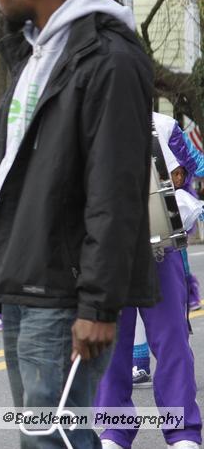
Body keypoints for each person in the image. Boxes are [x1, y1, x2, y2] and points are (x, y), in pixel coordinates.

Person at [0, 0, 157, 449]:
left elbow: (115, 191)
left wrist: (98, 306)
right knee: (41, 436)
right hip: (25, 281)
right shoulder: (33, 56)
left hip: (65, 292)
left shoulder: (109, 58)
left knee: (54, 439)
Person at [95, 112, 203, 449]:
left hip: (159, 247)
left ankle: (182, 431)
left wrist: (180, 197)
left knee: (170, 339)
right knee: (109, 341)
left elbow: (196, 167)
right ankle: (114, 429)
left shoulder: (164, 125)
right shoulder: (86, 120)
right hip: (106, 250)